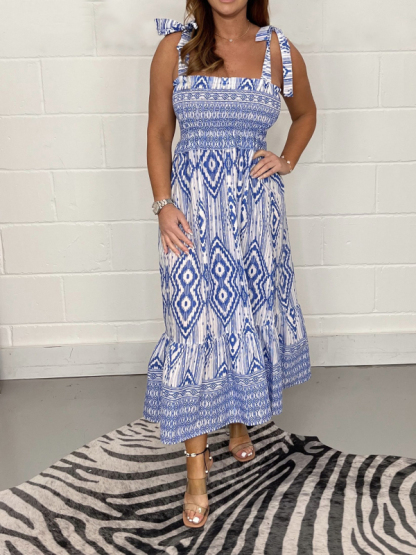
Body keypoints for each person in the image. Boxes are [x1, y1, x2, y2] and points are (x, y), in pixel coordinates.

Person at [143, 0, 316, 528]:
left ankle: (238, 420)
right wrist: (162, 203)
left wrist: (285, 159)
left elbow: (306, 114)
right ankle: (196, 470)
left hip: (255, 217)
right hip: (191, 214)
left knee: (243, 319)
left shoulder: (279, 50)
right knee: (194, 327)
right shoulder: (175, 48)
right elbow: (159, 131)